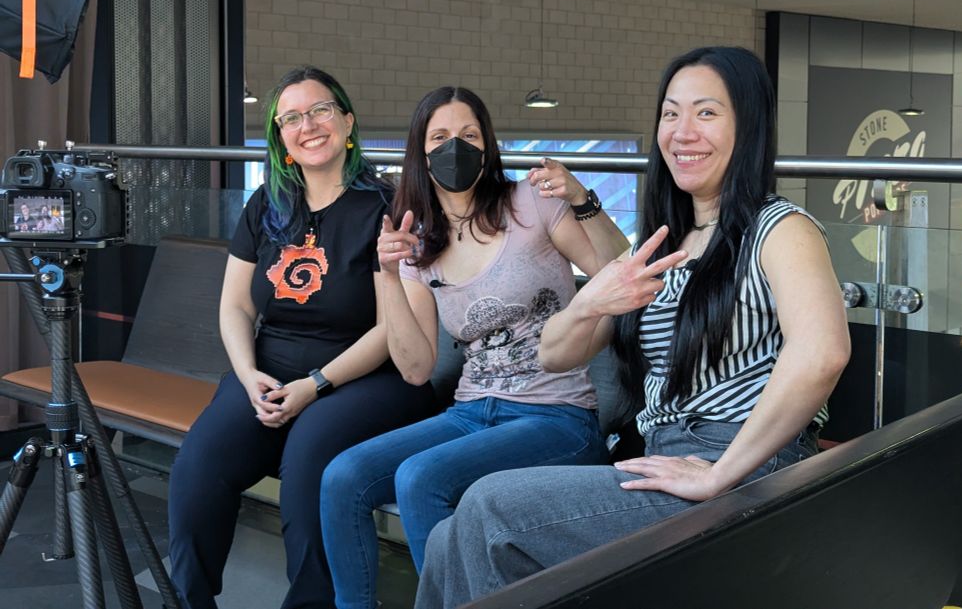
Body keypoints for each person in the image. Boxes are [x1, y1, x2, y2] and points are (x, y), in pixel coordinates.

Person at [414, 46, 852, 608]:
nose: (683, 132)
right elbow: (553, 354)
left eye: (707, 113)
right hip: (663, 455)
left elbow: (823, 353)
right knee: (451, 539)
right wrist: (591, 301)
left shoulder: (781, 228)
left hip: (747, 466)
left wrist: (719, 475)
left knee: (488, 504)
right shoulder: (668, 240)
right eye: (671, 114)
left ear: (749, 126)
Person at [319, 86, 631, 609]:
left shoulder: (531, 203)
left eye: (468, 135)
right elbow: (416, 368)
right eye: (439, 137)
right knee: (342, 476)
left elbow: (619, 270)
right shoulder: (419, 241)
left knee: (420, 479)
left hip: (557, 415)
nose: (454, 147)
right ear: (420, 151)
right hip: (471, 412)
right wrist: (390, 276)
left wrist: (583, 200)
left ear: (488, 145)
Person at [167, 67, 436, 609]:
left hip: (366, 376)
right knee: (197, 472)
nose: (307, 125)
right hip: (268, 371)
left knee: (309, 461)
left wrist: (314, 385)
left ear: (348, 122)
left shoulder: (389, 206)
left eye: (320, 111)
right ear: (280, 137)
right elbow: (236, 305)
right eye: (291, 118)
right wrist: (246, 377)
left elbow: (393, 327)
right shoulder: (267, 204)